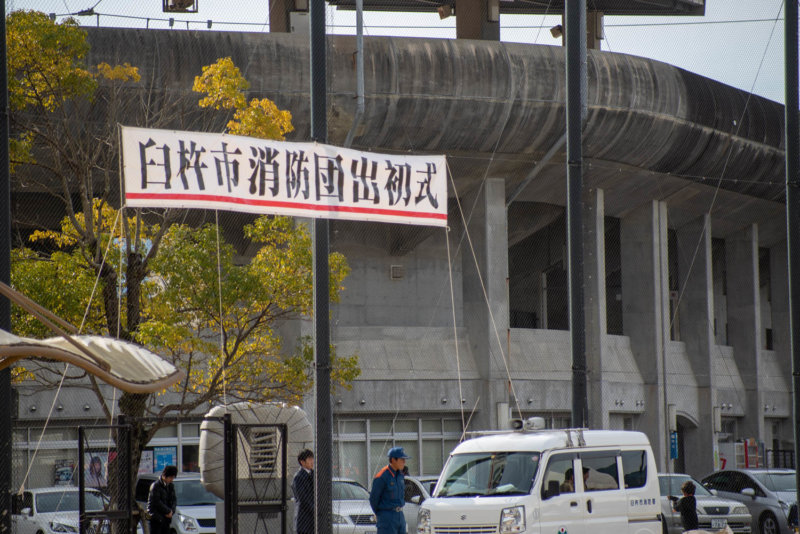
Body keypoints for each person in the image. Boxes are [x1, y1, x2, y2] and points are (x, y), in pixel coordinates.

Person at [370, 447, 410, 534]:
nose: (404, 462)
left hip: (400, 515)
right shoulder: (382, 476)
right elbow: (374, 499)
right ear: (393, 460)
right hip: (387, 517)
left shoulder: (400, 475)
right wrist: (382, 514)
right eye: (401, 459)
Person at [147, 465, 178, 534]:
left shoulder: (170, 486)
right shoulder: (156, 486)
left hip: (166, 520)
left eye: (173, 478)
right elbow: (156, 502)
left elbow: (174, 500)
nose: (172, 480)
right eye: (170, 477)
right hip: (156, 519)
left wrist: (171, 511)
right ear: (164, 475)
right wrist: (167, 511)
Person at [292, 449, 315, 534]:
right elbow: (303, 498)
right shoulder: (298, 477)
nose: (312, 461)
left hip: (314, 519)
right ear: (302, 462)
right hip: (304, 519)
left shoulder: (314, 474)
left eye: (312, 458)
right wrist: (315, 509)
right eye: (309, 459)